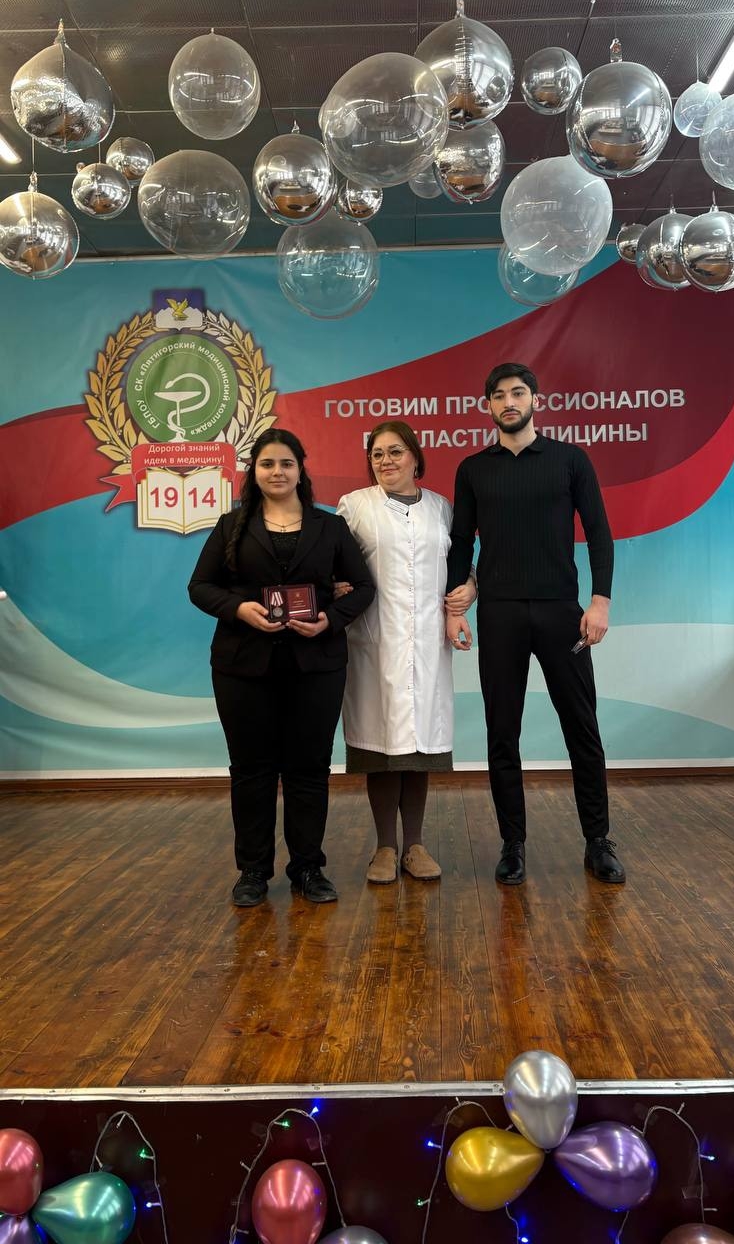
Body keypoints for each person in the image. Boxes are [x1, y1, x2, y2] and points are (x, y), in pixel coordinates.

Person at [445, 363, 625, 888]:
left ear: (534, 400)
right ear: (487, 406)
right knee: (502, 731)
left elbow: (599, 533)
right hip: (499, 614)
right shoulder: (473, 469)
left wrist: (600, 602)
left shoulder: (570, 460)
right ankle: (513, 844)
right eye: (498, 395)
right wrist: (456, 606)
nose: (509, 402)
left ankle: (598, 841)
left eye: (518, 393)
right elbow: (461, 541)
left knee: (582, 727)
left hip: (561, 613)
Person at [189, 428, 375, 907]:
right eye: (268, 463)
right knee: (251, 770)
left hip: (316, 666)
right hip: (242, 667)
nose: (277, 472)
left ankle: (308, 868)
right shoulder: (231, 526)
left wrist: (330, 620)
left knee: (308, 768)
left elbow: (364, 587)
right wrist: (239, 609)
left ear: (300, 470)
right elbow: (200, 587)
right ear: (254, 470)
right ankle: (252, 871)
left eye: (286, 463)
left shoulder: (330, 527)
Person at [336, 422, 475, 883]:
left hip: (428, 643)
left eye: (395, 451)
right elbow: (333, 562)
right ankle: (384, 848)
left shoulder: (441, 508)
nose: (386, 461)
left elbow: (459, 564)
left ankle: (414, 845)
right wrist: (334, 585)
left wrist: (470, 587)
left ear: (416, 456)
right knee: (382, 746)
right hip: (375, 641)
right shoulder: (355, 506)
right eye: (377, 454)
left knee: (419, 746)